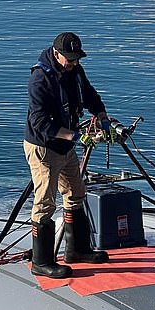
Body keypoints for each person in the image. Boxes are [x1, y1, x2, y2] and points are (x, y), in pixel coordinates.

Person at [24, 32, 111, 279]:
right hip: (44, 148)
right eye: (69, 59)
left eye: (77, 59)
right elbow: (40, 123)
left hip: (65, 147)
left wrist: (102, 116)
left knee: (75, 192)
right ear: (56, 53)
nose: (74, 63)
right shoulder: (40, 80)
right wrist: (75, 137)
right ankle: (42, 261)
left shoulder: (75, 71)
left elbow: (89, 94)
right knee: (44, 202)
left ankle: (78, 250)